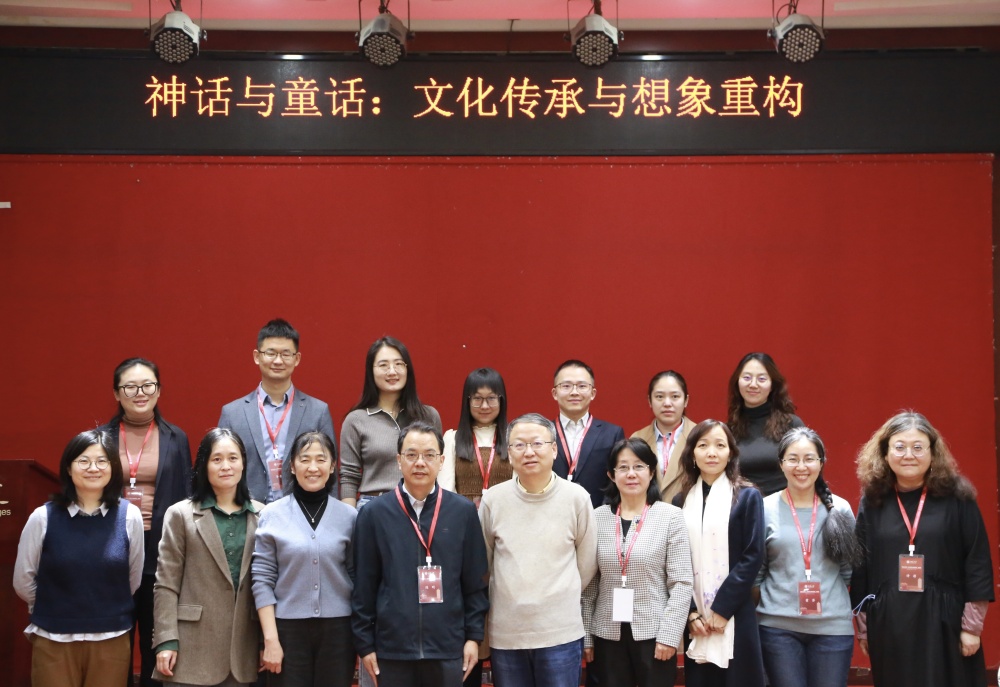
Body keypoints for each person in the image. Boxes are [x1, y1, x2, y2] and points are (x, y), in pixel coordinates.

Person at [851, 411, 994, 687]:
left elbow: (977, 560)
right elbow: (861, 566)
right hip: (890, 626)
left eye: (918, 447)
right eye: (900, 447)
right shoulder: (873, 500)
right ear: (885, 453)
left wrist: (972, 627)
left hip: (946, 623)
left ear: (932, 452)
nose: (909, 455)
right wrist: (864, 629)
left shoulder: (958, 497)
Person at [352, 422, 489, 687]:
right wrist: (365, 644)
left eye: (429, 455)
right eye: (411, 454)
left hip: (448, 648)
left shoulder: (462, 512)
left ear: (441, 461)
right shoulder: (374, 514)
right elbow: (363, 586)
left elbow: (475, 582)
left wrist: (473, 637)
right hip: (392, 650)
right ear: (398, 460)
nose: (420, 463)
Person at [13, 429, 144, 687]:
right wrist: (54, 607)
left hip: (111, 638)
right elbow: (23, 580)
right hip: (53, 638)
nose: (93, 468)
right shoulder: (42, 517)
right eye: (83, 461)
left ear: (113, 468)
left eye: (102, 461)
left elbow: (133, 577)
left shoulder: (130, 516)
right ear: (68, 468)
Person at [479, 413, 598, 687]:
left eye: (537, 443)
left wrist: (558, 595)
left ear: (554, 449)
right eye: (519, 445)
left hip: (560, 632)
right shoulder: (493, 500)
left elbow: (586, 563)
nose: (529, 452)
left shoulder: (577, 498)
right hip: (507, 633)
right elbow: (484, 564)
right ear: (509, 453)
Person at [100, 357, 192, 687]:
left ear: (158, 390)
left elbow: (186, 495)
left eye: (147, 385)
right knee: (115, 641)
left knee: (156, 639)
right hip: (112, 548)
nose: (140, 393)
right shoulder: (100, 438)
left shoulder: (176, 437)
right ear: (116, 393)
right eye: (130, 387)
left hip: (160, 548)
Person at [152, 428, 263, 686]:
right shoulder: (180, 514)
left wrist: (263, 641)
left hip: (242, 650)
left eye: (233, 458)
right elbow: (166, 584)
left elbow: (265, 586)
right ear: (204, 465)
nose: (226, 466)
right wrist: (166, 640)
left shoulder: (262, 515)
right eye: (217, 459)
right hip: (190, 647)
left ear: (243, 463)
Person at [582, 438, 693, 687]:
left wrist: (669, 636)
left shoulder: (670, 517)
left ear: (651, 472)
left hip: (654, 633)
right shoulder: (597, 518)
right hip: (606, 633)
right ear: (611, 475)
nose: (631, 474)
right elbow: (589, 584)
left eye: (639, 466)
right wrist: (587, 635)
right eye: (623, 467)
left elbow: (682, 583)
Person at [755, 427, 861, 687]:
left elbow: (849, 571)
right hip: (777, 628)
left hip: (832, 629)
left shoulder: (840, 509)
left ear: (821, 463)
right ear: (781, 464)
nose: (801, 467)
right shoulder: (764, 508)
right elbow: (758, 573)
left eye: (809, 459)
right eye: (793, 459)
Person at [253, 431, 357, 687]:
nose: (313, 467)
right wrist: (270, 639)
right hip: (287, 632)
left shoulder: (349, 517)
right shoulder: (272, 515)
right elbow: (262, 580)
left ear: (332, 466)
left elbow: (357, 577)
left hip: (339, 633)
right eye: (304, 459)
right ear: (292, 466)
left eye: (321, 459)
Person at [672, 420, 765, 687]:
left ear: (730, 453)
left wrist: (722, 609)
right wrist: (691, 613)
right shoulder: (681, 501)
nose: (711, 452)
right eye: (703, 445)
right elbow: (677, 561)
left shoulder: (747, 496)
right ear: (692, 453)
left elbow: (752, 556)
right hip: (697, 619)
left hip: (735, 610)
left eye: (720, 445)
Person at [439, 367, 514, 687]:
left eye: (491, 398)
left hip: (505, 531)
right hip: (463, 532)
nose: (484, 405)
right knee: (469, 596)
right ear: (466, 401)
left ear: (502, 400)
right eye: (477, 399)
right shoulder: (452, 438)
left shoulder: (514, 436)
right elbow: (445, 490)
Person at [219, 318, 337, 504]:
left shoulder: (318, 411)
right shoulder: (232, 413)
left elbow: (330, 473)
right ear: (257, 356)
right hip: (247, 512)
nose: (278, 360)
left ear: (297, 359)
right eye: (271, 353)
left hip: (302, 511)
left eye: (286, 354)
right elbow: (220, 468)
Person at [340, 336, 442, 509]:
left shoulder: (428, 416)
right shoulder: (356, 420)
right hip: (374, 506)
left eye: (399, 364)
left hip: (421, 505)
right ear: (371, 371)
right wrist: (350, 518)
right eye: (383, 365)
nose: (392, 371)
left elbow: (437, 466)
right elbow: (349, 476)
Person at [551, 359, 625, 508]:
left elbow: (618, 479)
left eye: (582, 386)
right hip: (550, 514)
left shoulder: (612, 433)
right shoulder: (542, 432)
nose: (574, 392)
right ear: (555, 393)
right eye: (566, 386)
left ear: (592, 393)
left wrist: (602, 513)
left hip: (598, 514)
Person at [726, 353, 803, 496]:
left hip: (785, 505)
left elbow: (808, 470)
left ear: (772, 384)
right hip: (742, 505)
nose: (753, 384)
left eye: (761, 379)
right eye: (747, 378)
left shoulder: (792, 425)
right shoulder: (728, 430)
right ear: (737, 382)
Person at [630, 370, 697, 503]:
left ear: (686, 400)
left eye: (675, 396)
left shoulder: (700, 436)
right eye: (659, 397)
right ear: (650, 401)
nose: (667, 403)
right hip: (647, 512)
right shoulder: (637, 438)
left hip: (687, 511)